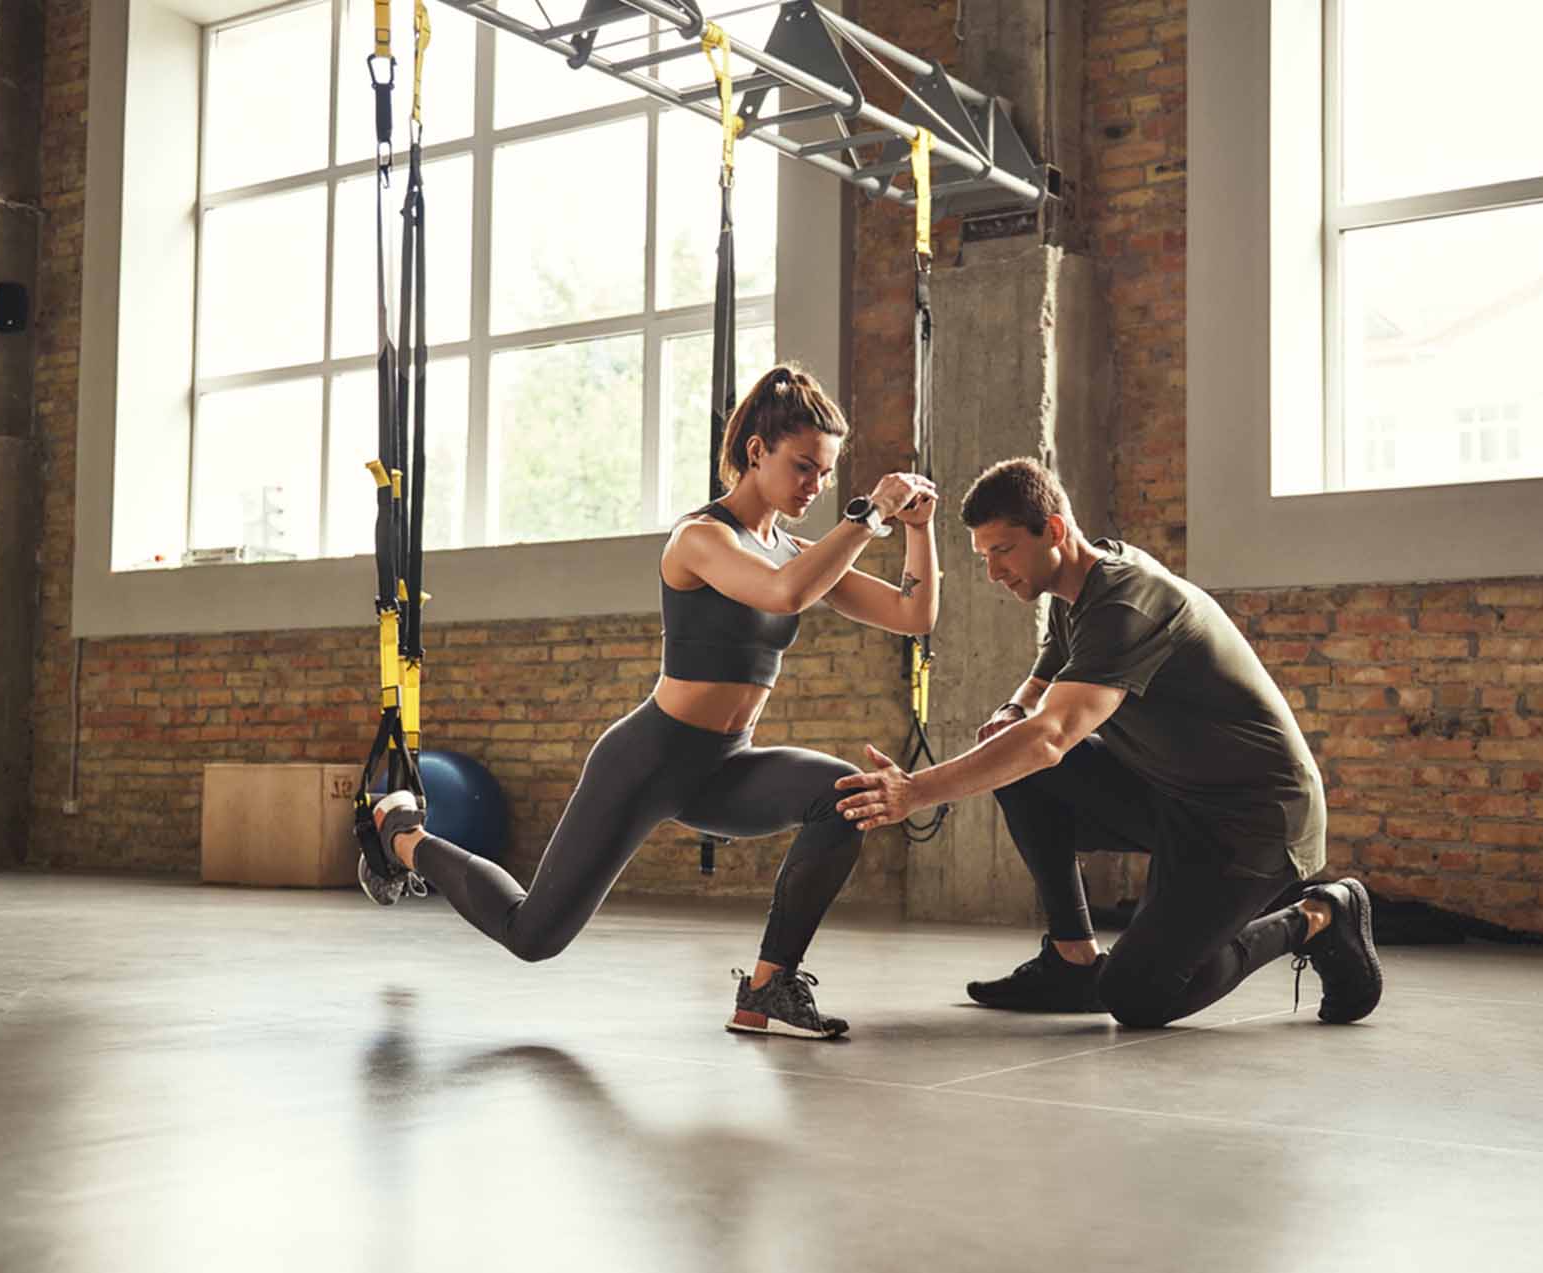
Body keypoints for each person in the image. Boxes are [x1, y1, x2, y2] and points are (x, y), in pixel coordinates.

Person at [360, 364, 940, 1040]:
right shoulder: (700, 538)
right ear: (758, 451)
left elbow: (912, 614)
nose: (815, 486)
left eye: (826, 474)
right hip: (648, 759)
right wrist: (868, 515)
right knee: (533, 932)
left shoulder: (795, 549)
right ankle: (402, 835)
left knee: (845, 796)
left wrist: (919, 529)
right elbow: (784, 593)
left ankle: (767, 988)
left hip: (725, 765)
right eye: (804, 467)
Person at [833, 457, 1382, 1027]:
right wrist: (1015, 707)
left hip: (1253, 819)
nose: (993, 572)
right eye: (984, 556)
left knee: (1138, 996)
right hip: (1174, 796)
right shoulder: (1079, 584)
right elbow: (1051, 665)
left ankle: (1320, 915)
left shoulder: (1124, 601)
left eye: (1002, 551)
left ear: (1053, 531)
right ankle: (1072, 962)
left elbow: (1051, 739)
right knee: (1022, 768)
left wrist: (914, 791)